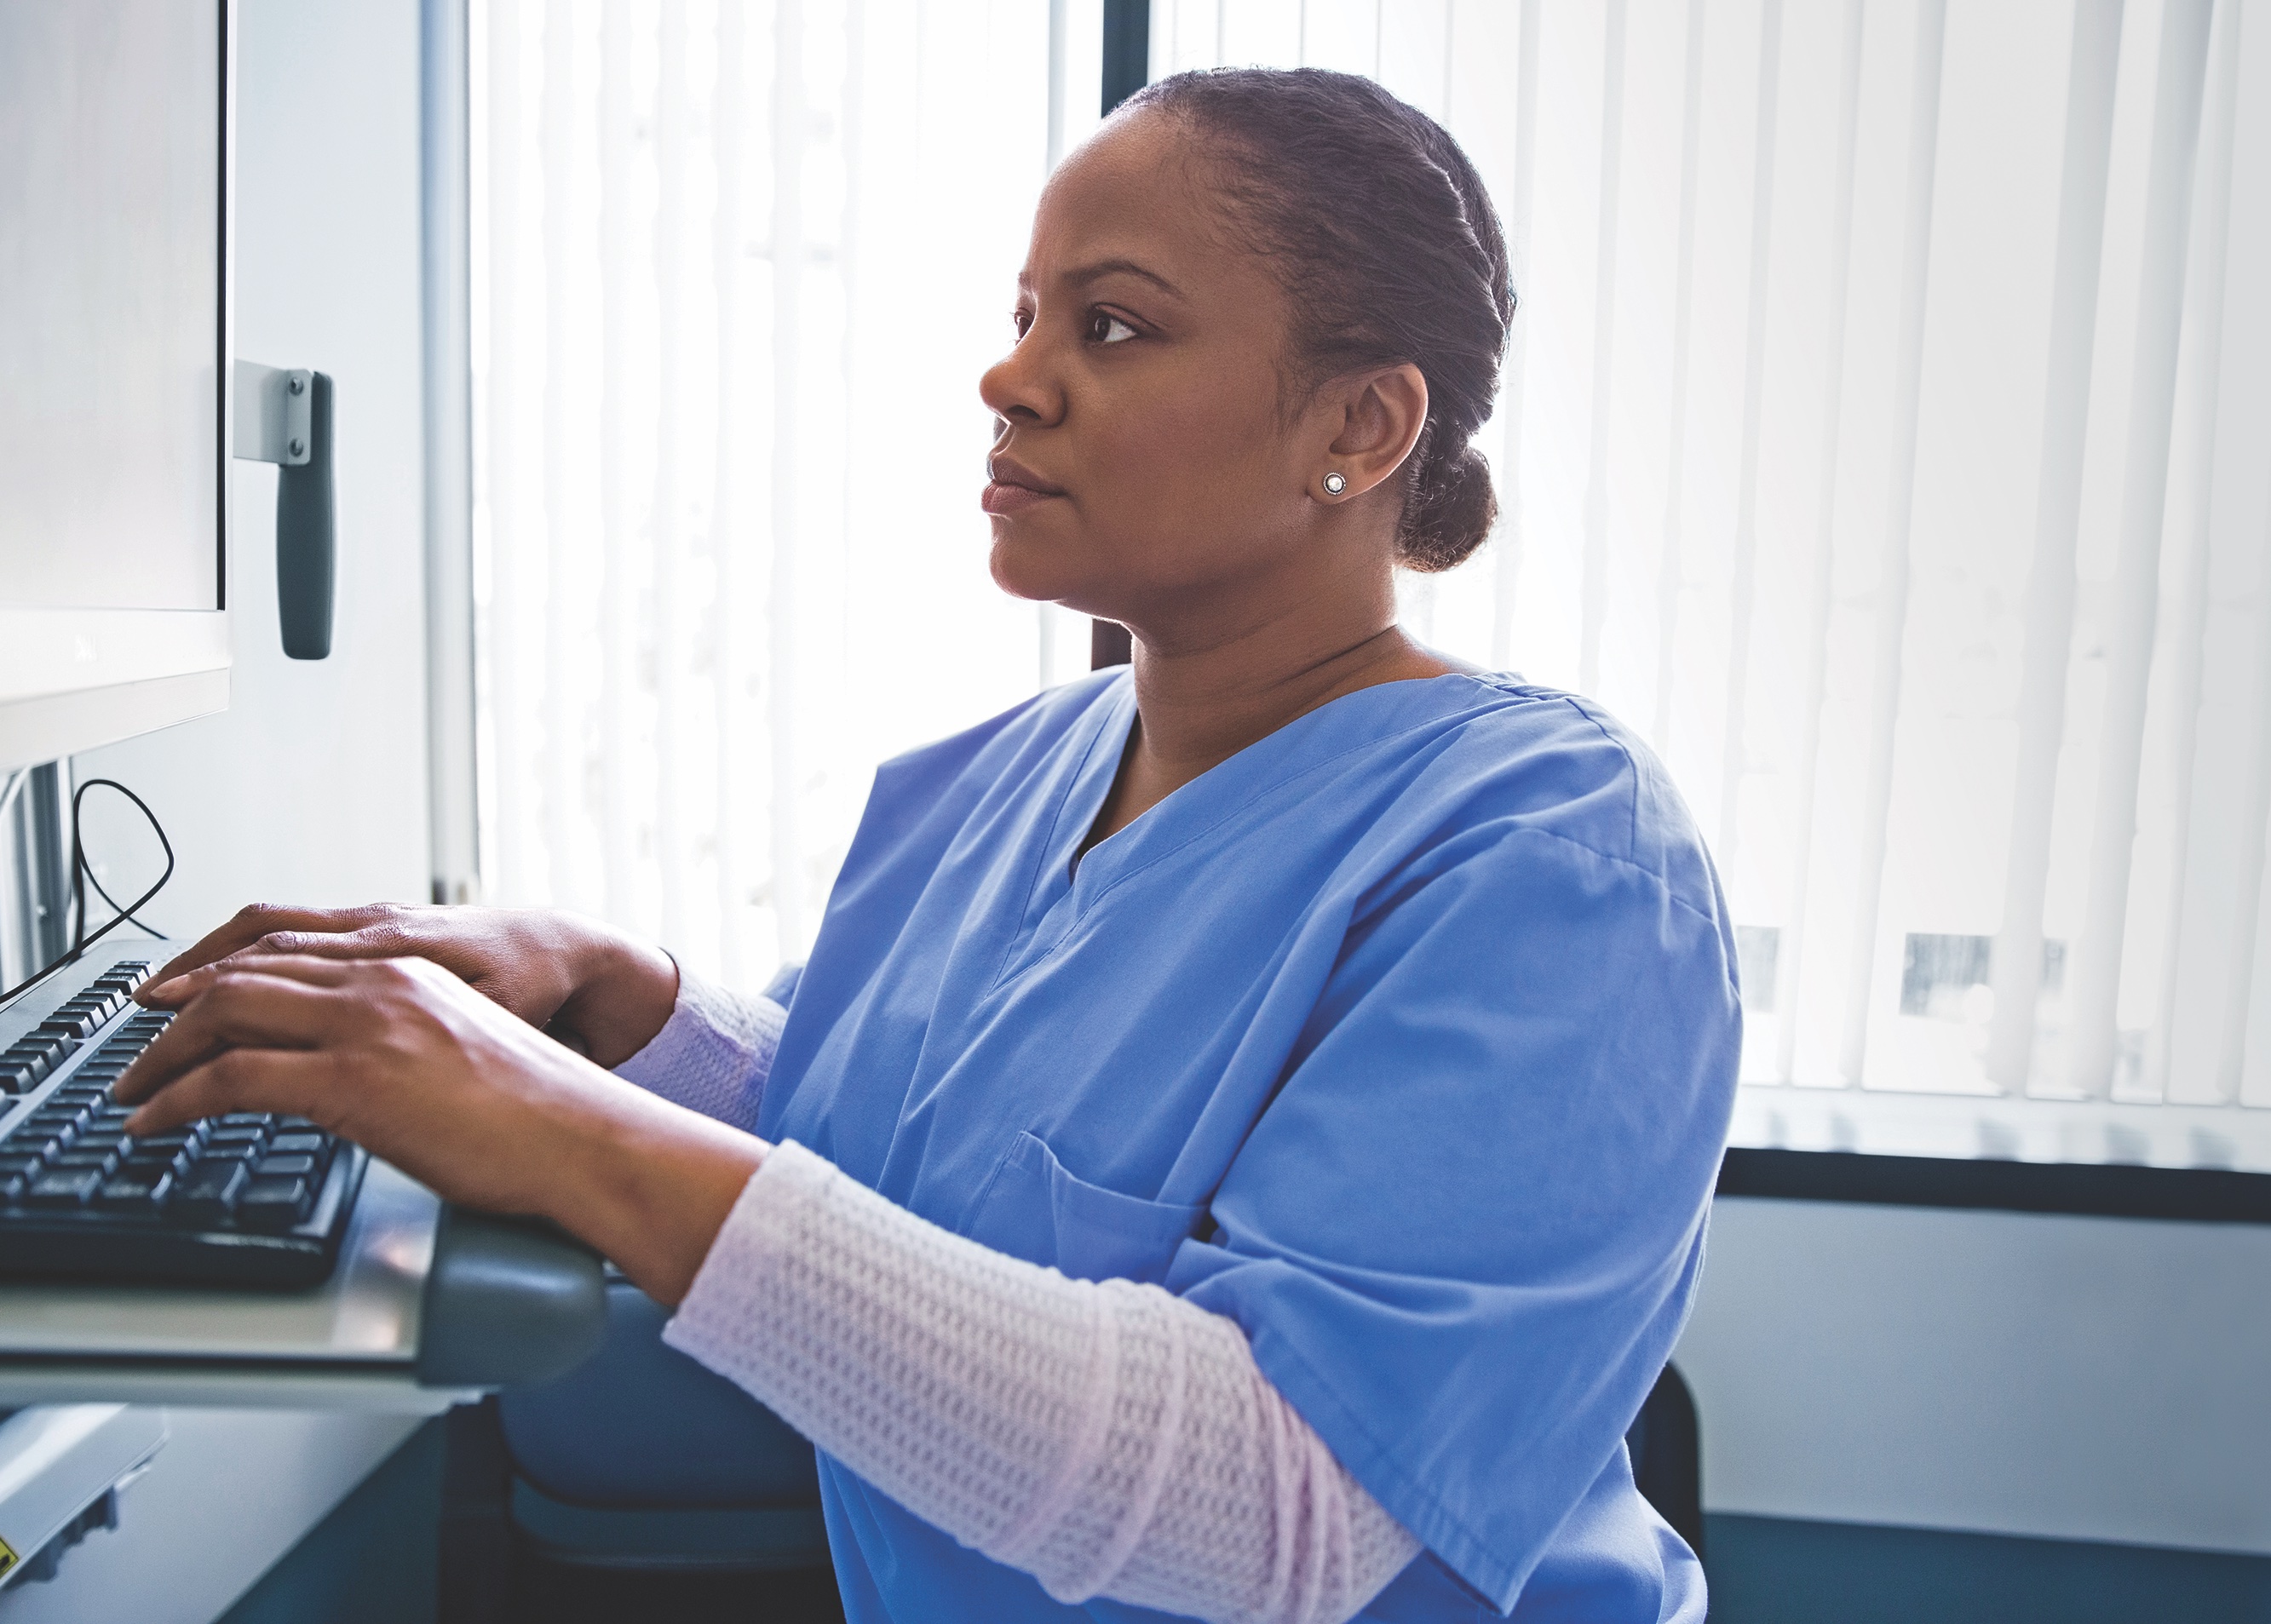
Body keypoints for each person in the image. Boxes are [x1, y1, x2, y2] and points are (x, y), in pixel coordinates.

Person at [117, 66, 1739, 1624]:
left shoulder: (1552, 862)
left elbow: (1288, 1500)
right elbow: (894, 1141)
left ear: (1363, 425)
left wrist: (559, 1131)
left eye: (1110, 326)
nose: (1013, 377)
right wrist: (626, 1002)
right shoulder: (1006, 778)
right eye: (1024, 314)